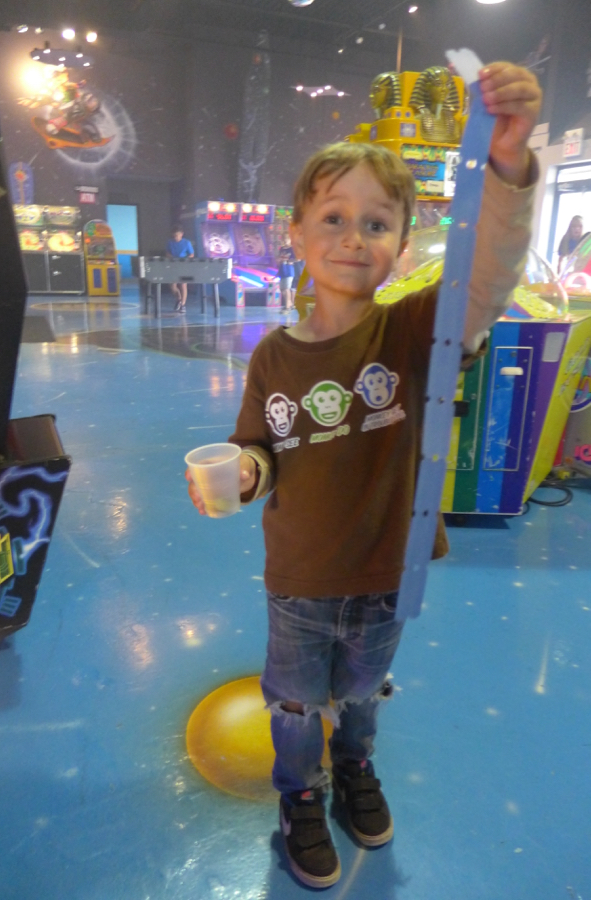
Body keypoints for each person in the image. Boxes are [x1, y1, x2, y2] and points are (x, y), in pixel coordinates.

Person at [186, 61, 541, 889]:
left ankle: (352, 769)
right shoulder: (273, 356)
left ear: (401, 247)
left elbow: (486, 273)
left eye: (376, 223)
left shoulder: (416, 330)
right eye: (334, 218)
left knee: (361, 693)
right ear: (297, 236)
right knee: (294, 702)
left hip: (386, 574)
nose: (354, 237)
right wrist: (244, 473)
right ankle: (299, 795)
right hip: (299, 580)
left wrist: (508, 165)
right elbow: (259, 449)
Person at [166, 225, 194, 312]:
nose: (176, 237)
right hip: (174, 266)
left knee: (183, 284)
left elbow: (191, 254)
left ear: (181, 234)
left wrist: (186, 260)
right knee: (172, 285)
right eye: (174, 236)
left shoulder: (187, 243)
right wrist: (171, 257)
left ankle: (183, 305)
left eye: (177, 235)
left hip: (184, 266)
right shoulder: (170, 242)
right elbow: (167, 253)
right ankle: (179, 299)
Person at [277, 233, 296, 312]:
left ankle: (287, 306)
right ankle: (289, 303)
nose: (285, 240)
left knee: (286, 288)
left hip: (289, 270)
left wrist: (290, 261)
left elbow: (297, 258)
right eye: (284, 238)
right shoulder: (282, 248)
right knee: (282, 289)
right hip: (282, 270)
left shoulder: (292, 249)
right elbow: (279, 257)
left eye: (287, 239)